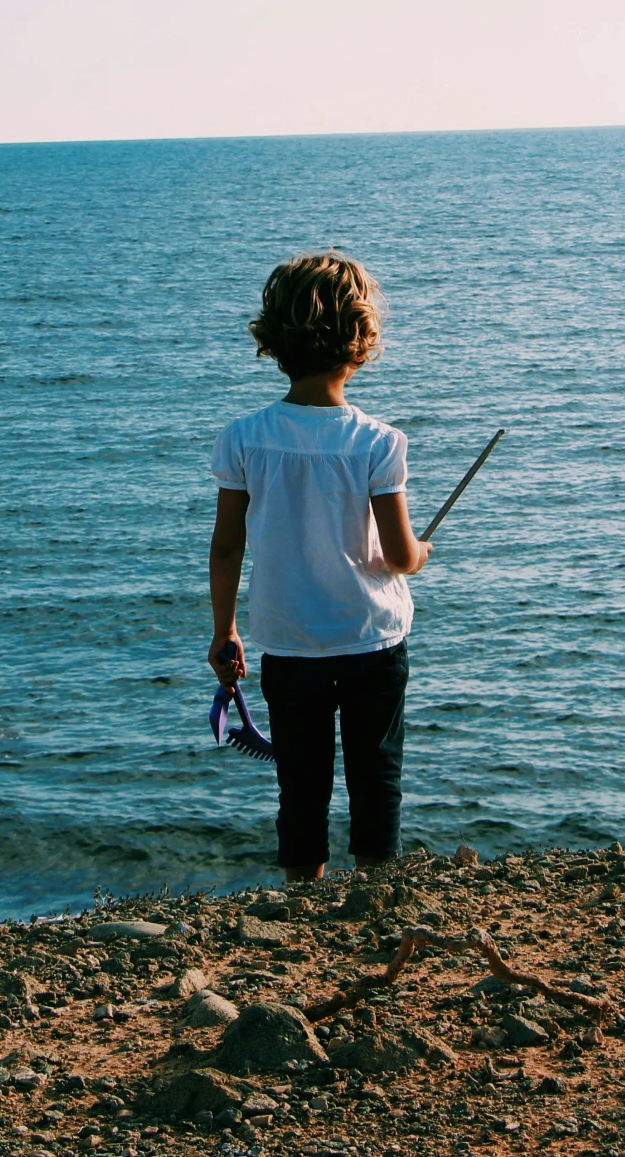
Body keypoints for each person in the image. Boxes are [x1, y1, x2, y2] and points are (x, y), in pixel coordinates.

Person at [208, 252, 430, 882]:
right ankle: (374, 890)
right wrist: (422, 555)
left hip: (288, 640)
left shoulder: (243, 437)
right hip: (371, 636)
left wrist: (224, 631)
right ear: (360, 344)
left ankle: (303, 900)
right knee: (375, 771)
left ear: (274, 340)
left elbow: (227, 547)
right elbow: (398, 556)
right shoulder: (378, 442)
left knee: (300, 779)